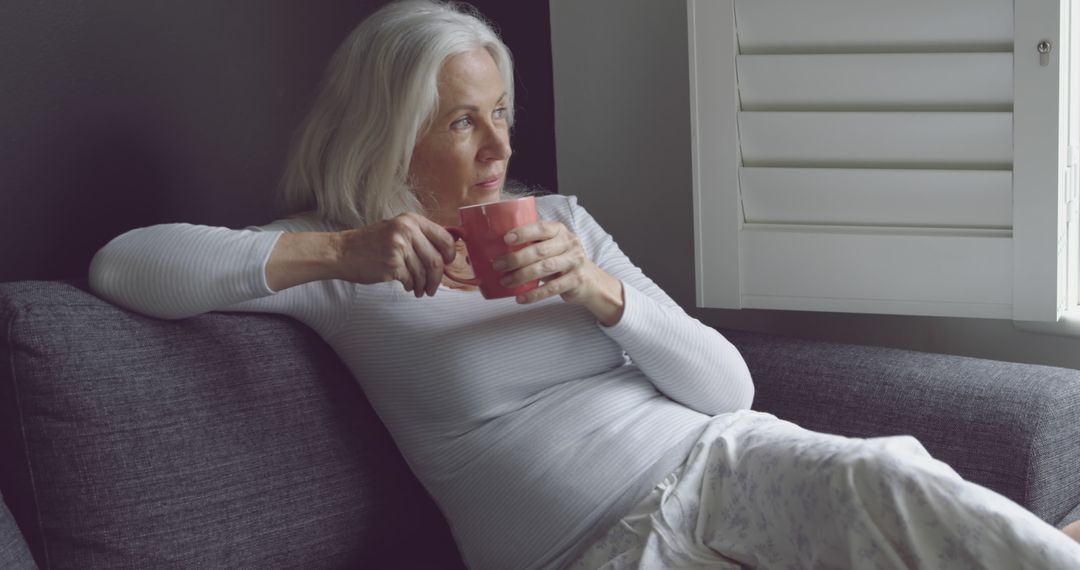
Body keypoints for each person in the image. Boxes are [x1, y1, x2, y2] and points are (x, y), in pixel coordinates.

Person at [88, 1, 1080, 568]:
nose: (500, 145)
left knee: (890, 480)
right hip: (593, 554)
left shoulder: (558, 221)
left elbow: (729, 391)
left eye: (502, 113)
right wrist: (338, 254)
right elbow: (123, 265)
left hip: (723, 462)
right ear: (390, 129)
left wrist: (602, 291)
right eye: (464, 121)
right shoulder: (341, 258)